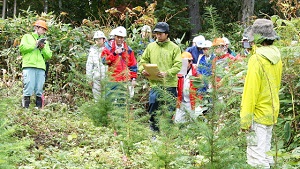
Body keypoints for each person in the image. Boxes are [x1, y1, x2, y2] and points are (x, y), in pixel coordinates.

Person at [240, 18, 282, 168]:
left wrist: (245, 120)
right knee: (266, 154)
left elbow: (250, 92)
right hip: (271, 111)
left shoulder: (256, 59)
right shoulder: (277, 56)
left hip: (256, 115)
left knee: (256, 159)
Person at [138, 22, 182, 132]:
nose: (158, 36)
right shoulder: (151, 46)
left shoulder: (174, 48)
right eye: (156, 33)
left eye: (160, 34)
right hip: (155, 84)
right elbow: (142, 61)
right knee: (153, 106)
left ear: (167, 34)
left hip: (170, 84)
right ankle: (154, 130)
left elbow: (178, 65)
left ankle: (168, 134)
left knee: (169, 109)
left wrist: (167, 73)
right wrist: (143, 70)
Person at [19, 19, 52, 109]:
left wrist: (42, 48)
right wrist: (35, 44)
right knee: (29, 85)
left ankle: (38, 107)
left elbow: (49, 55)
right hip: (29, 65)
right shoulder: (27, 37)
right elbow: (22, 48)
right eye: (43, 29)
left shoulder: (46, 42)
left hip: (41, 67)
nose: (44, 31)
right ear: (36, 28)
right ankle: (26, 107)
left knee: (39, 87)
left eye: (45, 30)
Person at [101, 26, 137, 99]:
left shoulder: (128, 50)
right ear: (115, 37)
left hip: (124, 80)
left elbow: (133, 65)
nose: (120, 39)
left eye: (122, 37)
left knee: (122, 102)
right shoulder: (108, 47)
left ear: (124, 38)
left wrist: (133, 78)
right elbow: (104, 61)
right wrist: (114, 53)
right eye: (118, 37)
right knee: (109, 100)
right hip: (112, 79)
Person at [174, 52, 200, 123]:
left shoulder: (196, 73)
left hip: (191, 102)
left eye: (185, 62)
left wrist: (199, 104)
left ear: (190, 62)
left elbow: (200, 90)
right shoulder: (180, 73)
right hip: (181, 101)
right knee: (177, 121)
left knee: (191, 124)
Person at [86, 30, 107, 100]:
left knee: (106, 98)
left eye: (100, 39)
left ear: (104, 39)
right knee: (97, 99)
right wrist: (89, 79)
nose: (98, 41)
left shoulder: (109, 49)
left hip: (107, 77)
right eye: (96, 39)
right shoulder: (92, 51)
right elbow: (89, 65)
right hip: (96, 77)